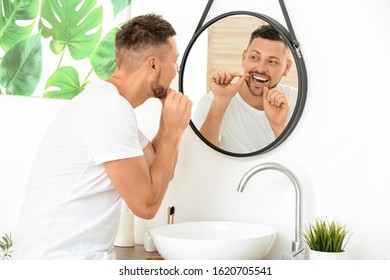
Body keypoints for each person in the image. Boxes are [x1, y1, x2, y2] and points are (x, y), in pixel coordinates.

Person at [13, 14, 192, 260]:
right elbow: (146, 205)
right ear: (153, 65)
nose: (177, 70)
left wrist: (168, 122)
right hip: (60, 263)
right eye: (175, 61)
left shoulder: (106, 102)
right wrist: (173, 131)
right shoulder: (110, 110)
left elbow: (160, 170)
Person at [193, 25, 297, 153]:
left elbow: (307, 164)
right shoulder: (211, 102)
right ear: (244, 58)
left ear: (287, 67)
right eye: (254, 57)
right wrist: (220, 103)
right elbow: (201, 157)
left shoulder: (298, 101)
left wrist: (279, 127)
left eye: (272, 61)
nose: (260, 68)